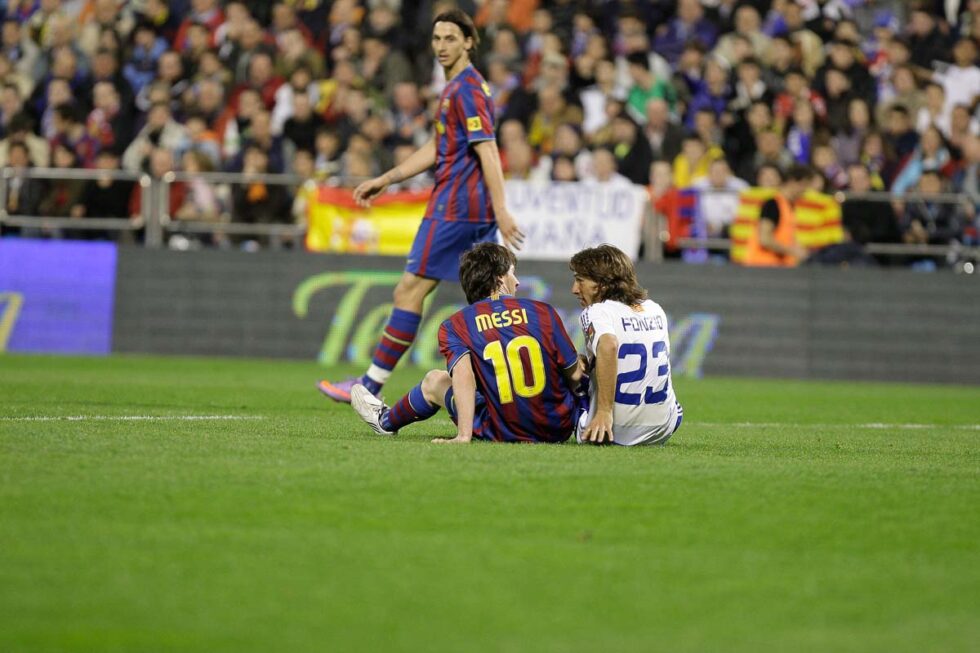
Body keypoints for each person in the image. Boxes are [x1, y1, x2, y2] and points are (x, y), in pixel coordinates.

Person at [318, 9, 524, 403]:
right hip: (469, 208)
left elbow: (488, 150)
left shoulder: (466, 89)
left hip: (454, 209)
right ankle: (522, 386)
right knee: (493, 300)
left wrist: (502, 209)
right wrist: (388, 178)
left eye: (450, 38)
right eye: (436, 39)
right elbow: (439, 147)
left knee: (409, 289)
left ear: (469, 41)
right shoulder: (459, 88)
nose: (441, 46)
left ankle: (369, 386)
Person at [349, 242, 583, 445]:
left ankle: (385, 421)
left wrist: (463, 436)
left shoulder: (456, 324)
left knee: (435, 380)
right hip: (559, 428)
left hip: (501, 431)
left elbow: (464, 377)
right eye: (513, 273)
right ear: (500, 277)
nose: (518, 282)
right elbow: (574, 376)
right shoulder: (542, 312)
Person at [570, 244, 683, 446]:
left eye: (580, 281)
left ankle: (594, 417)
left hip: (611, 431)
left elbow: (609, 346)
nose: (574, 289)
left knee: (564, 368)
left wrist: (604, 411)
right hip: (662, 428)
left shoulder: (596, 311)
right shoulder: (655, 309)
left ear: (602, 285)